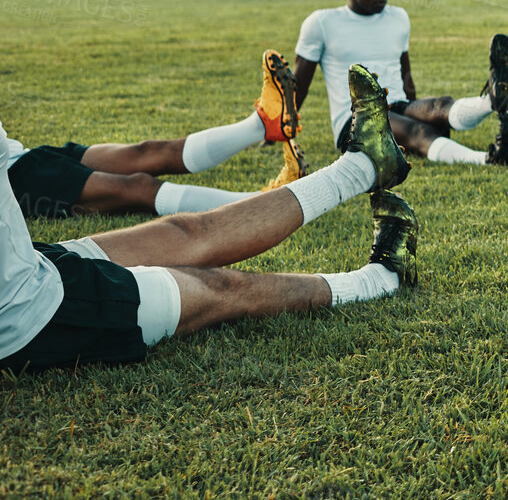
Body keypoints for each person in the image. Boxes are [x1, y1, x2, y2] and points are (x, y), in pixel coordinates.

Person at [1, 65, 418, 374]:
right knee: (222, 288)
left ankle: (366, 165)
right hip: (28, 312)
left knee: (184, 229)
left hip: (33, 263)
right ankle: (379, 280)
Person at [7, 50, 307, 220]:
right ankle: (266, 203)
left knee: (146, 151)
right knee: (139, 188)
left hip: (20, 155)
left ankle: (264, 124)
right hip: (10, 180)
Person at [291, 0, 508, 166]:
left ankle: (492, 100)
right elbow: (299, 86)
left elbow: (405, 74)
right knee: (417, 132)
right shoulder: (321, 23)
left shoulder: (398, 17)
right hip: (355, 120)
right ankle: (489, 159)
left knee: (440, 105)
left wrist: (423, 111)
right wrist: (280, 131)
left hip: (398, 105)